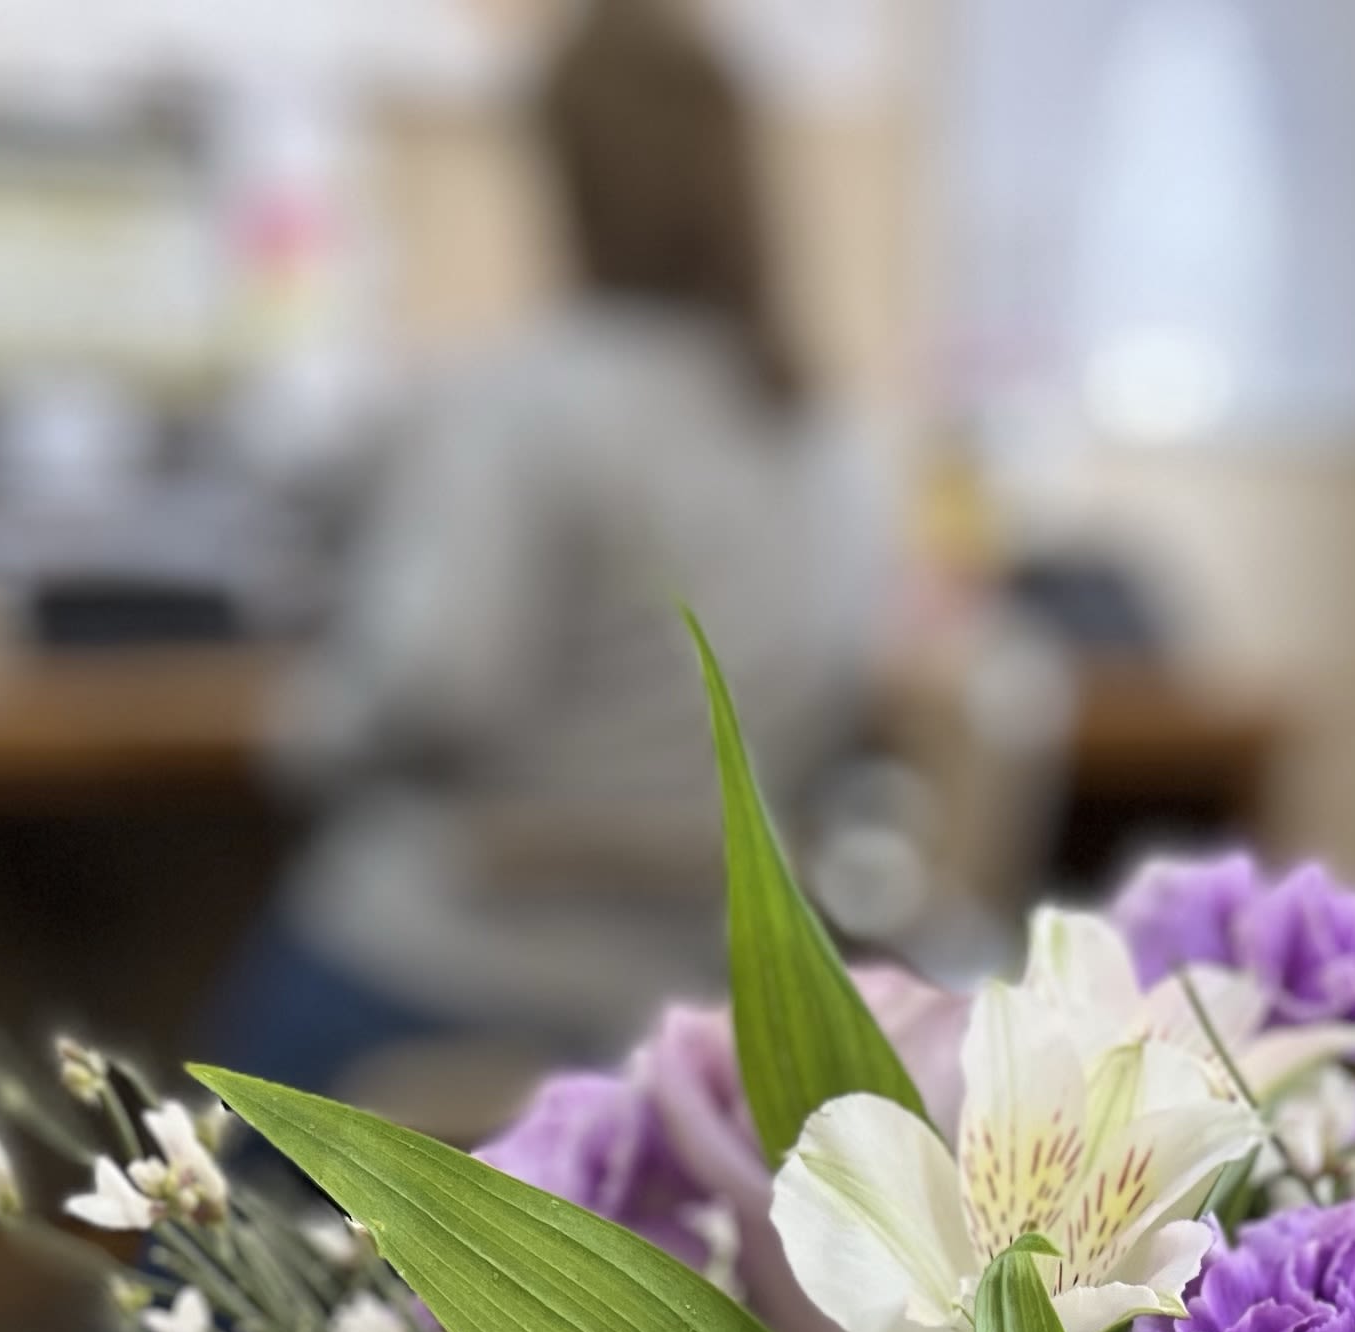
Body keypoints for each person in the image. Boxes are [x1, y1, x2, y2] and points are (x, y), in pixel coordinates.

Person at [207, 0, 889, 1093]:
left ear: (567, 173)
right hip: (700, 987)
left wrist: (301, 730)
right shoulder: (824, 433)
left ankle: (166, 1272)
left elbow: (433, 685)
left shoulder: (532, 404)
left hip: (465, 961)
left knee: (191, 1202)